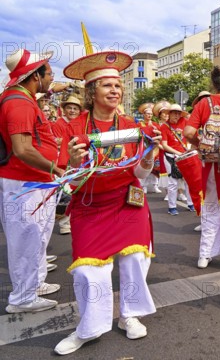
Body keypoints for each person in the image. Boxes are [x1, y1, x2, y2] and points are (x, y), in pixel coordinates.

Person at [53, 51, 161, 355]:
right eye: (106, 86)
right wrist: (74, 165)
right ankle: (89, 328)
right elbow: (69, 184)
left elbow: (138, 172)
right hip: (90, 206)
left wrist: (150, 156)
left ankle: (129, 315)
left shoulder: (131, 126)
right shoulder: (74, 129)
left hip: (128, 202)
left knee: (134, 261)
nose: (115, 90)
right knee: (89, 271)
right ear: (91, 92)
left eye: (117, 85)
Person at [0, 49, 64, 314]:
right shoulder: (19, 103)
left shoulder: (22, 96)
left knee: (36, 236)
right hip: (25, 184)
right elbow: (23, 148)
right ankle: (23, 299)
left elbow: (29, 143)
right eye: (48, 73)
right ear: (35, 76)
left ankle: (34, 284)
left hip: (32, 182)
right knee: (26, 239)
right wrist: (56, 169)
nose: (51, 79)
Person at [184, 66, 220, 268]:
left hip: (209, 166)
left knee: (210, 211)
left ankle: (204, 255)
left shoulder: (203, 104)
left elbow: (189, 131)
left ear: (213, 85)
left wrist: (201, 144)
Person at [51, 96, 83, 235]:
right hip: (62, 160)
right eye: (69, 108)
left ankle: (78, 219)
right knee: (65, 191)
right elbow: (56, 142)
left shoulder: (81, 123)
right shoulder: (58, 123)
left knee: (79, 190)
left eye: (75, 108)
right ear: (64, 110)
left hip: (80, 160)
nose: (72, 110)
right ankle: (64, 223)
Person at [160, 103, 195, 215]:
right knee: (173, 182)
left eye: (178, 113)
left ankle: (191, 203)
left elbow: (189, 137)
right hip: (171, 156)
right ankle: (172, 207)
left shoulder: (184, 122)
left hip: (184, 155)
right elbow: (165, 145)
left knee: (189, 181)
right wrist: (178, 153)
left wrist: (188, 149)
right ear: (169, 114)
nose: (176, 115)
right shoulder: (164, 127)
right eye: (174, 113)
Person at [137, 103, 162, 194]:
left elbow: (160, 135)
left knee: (155, 167)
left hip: (154, 148)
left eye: (151, 114)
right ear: (143, 114)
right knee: (144, 165)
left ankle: (155, 185)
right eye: (147, 114)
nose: (149, 115)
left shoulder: (155, 125)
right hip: (143, 147)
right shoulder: (139, 124)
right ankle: (143, 186)